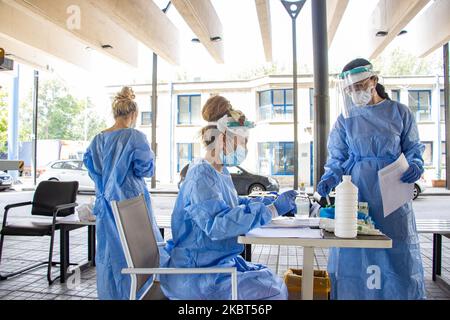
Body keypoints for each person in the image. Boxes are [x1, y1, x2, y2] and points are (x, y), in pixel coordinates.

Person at [160, 95, 297, 300]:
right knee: (274, 292)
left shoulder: (218, 171)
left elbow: (231, 204)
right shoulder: (200, 175)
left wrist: (263, 202)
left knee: (272, 280)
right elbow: (218, 225)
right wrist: (271, 210)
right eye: (243, 142)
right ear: (223, 139)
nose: (245, 148)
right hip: (198, 275)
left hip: (217, 264)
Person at [317, 58, 426, 300]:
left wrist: (416, 163)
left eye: (359, 87)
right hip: (357, 193)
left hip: (393, 196)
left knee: (397, 251)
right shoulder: (346, 120)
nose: (355, 94)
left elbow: (413, 148)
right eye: (350, 90)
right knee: (355, 250)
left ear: (373, 81)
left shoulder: (400, 113)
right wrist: (328, 179)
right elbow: (338, 158)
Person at [83, 87, 164, 300]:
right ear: (134, 114)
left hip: (105, 206)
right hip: (131, 204)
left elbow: (93, 169)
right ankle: (136, 294)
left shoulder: (97, 139)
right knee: (137, 255)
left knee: (109, 256)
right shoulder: (135, 137)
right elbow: (145, 169)